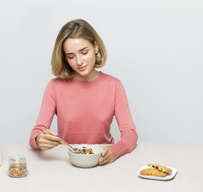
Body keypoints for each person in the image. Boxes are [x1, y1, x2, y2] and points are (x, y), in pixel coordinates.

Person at [29, 19, 138, 165]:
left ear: (96, 47)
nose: (79, 61)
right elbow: (37, 132)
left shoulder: (114, 86)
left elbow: (130, 134)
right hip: (67, 162)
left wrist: (115, 151)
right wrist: (38, 139)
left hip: (103, 162)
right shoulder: (55, 86)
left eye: (84, 52)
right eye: (71, 56)